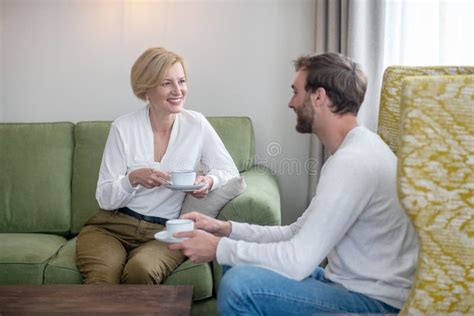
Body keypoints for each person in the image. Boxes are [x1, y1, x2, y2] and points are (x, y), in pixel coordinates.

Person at [169, 52, 419, 314]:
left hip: (375, 303)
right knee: (240, 264)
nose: (291, 103)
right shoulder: (353, 152)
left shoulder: (353, 162)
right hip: (347, 285)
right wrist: (224, 229)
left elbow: (298, 260)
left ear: (318, 97)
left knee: (241, 285)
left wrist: (218, 248)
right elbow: (296, 232)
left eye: (296, 92)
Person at [75, 47, 239, 284]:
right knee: (103, 276)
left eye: (181, 81)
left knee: (141, 270)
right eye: (166, 83)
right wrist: (132, 179)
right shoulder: (123, 128)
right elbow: (105, 198)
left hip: (164, 232)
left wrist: (208, 181)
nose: (178, 91)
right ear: (146, 89)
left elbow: (229, 170)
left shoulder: (196, 124)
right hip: (111, 226)